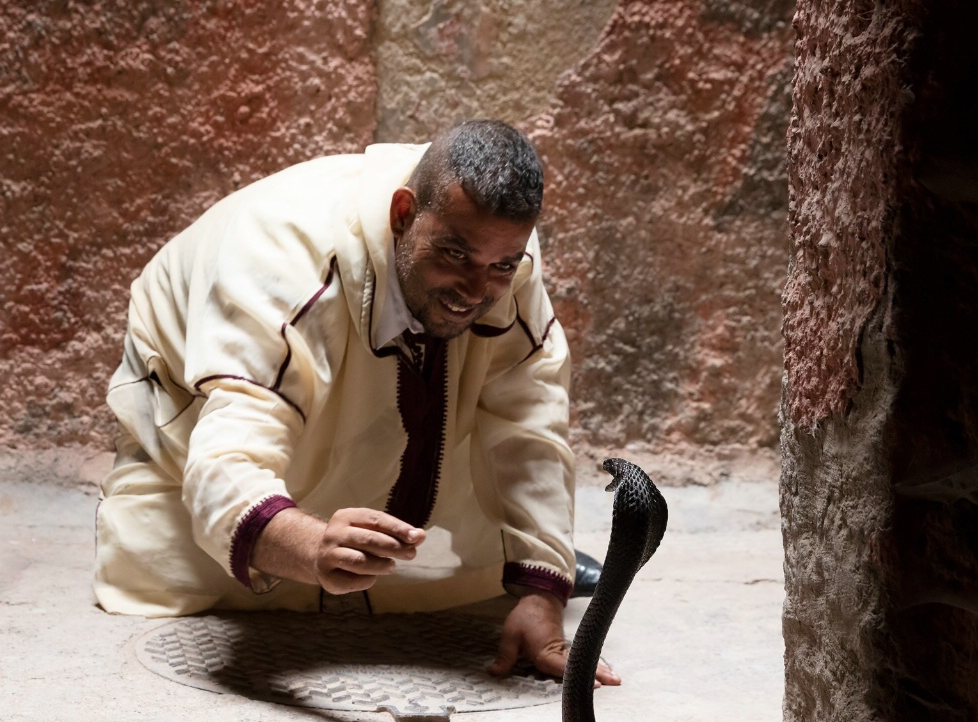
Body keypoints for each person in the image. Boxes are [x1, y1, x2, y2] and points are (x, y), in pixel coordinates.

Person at [94, 120, 617, 685]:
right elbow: (228, 457)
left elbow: (529, 420)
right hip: (195, 400)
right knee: (175, 569)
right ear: (402, 214)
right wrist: (312, 544)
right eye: (454, 253)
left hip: (355, 378)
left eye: (500, 266)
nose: (473, 289)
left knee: (506, 561)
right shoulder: (278, 262)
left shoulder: (503, 254)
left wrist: (542, 589)